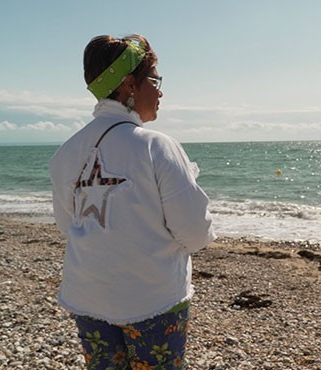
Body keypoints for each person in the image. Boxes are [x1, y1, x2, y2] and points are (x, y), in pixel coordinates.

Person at [49, 34, 216, 369]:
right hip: (151, 297)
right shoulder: (156, 146)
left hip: (87, 295)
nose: (161, 91)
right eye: (155, 80)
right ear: (129, 85)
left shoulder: (67, 152)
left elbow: (69, 224)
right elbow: (195, 233)